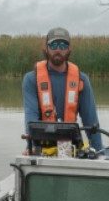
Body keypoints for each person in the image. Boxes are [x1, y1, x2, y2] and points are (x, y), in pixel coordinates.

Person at [22, 26, 103, 154]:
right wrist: (30, 147)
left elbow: (91, 121)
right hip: (41, 148)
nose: (58, 49)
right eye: (53, 45)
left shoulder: (81, 80)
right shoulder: (31, 79)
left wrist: (99, 152)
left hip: (71, 147)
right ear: (46, 48)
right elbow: (31, 117)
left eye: (63, 45)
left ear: (69, 49)